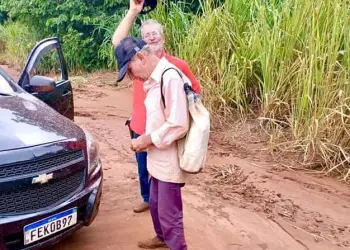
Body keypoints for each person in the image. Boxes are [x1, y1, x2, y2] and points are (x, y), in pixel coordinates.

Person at [112, 0, 201, 213]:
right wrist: (134, 11)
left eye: (155, 33)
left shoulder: (176, 66)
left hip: (164, 133)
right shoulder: (136, 65)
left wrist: (184, 120)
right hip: (140, 127)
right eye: (147, 35)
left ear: (163, 37)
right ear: (142, 42)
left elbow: (195, 93)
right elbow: (118, 42)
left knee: (166, 182)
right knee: (144, 171)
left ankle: (164, 216)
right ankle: (147, 200)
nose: (152, 37)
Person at [115, 36, 189, 250]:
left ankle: (176, 245)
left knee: (169, 213)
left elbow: (178, 124)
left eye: (130, 70)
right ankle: (162, 238)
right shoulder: (154, 79)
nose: (132, 77)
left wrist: (146, 140)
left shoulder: (170, 78)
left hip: (169, 159)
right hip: (157, 157)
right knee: (156, 205)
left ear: (140, 57)